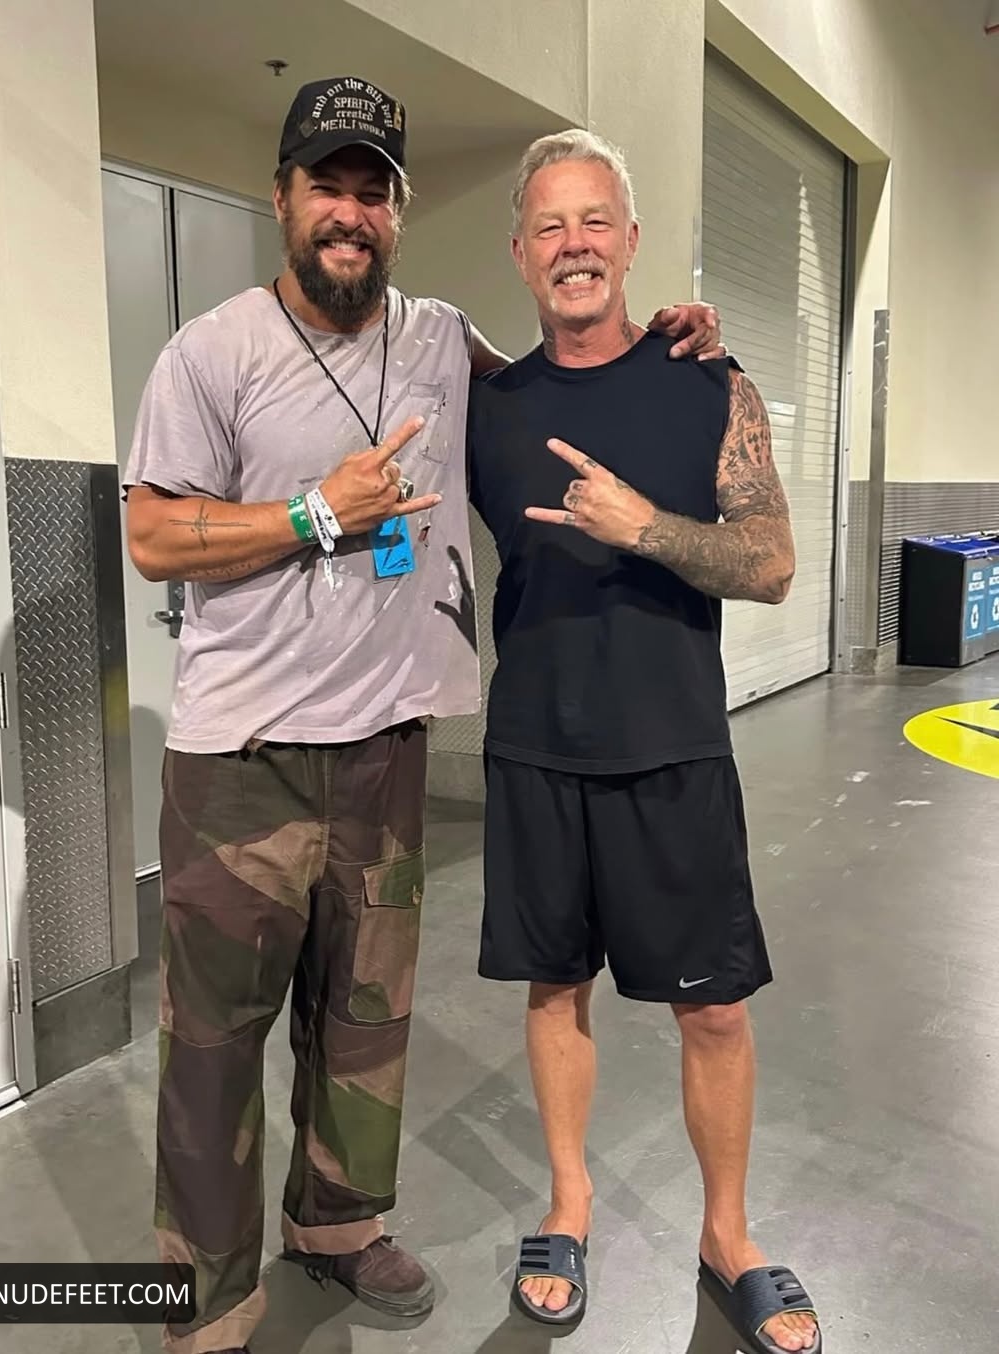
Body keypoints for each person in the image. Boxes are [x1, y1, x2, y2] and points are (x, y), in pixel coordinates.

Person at [123, 76, 724, 1354]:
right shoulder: (212, 352)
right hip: (241, 760)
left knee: (366, 1018)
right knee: (215, 1046)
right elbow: (154, 536)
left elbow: (563, 374)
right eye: (326, 186)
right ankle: (206, 1304)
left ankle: (338, 1226)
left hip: (387, 748)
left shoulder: (445, 339)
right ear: (282, 198)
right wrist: (312, 513)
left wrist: (667, 334)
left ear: (397, 212)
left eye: (373, 191)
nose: (349, 212)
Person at [467, 128, 822, 1354]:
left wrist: (646, 528)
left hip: (674, 747)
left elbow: (773, 564)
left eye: (593, 220)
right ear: (521, 253)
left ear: (629, 240)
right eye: (549, 226)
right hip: (535, 746)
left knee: (714, 1009)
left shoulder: (708, 382)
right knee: (554, 986)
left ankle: (728, 1234)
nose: (573, 244)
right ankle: (568, 1204)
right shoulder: (489, 403)